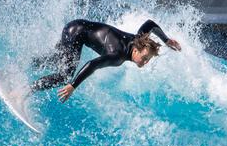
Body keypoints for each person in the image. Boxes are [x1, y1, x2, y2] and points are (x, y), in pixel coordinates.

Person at [30, 19, 181, 102]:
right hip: (75, 33)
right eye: (144, 58)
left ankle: (30, 62)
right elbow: (92, 64)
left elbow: (150, 24)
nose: (146, 62)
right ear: (135, 50)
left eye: (148, 59)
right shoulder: (118, 56)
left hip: (75, 27)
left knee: (58, 60)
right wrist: (73, 85)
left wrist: (166, 40)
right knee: (65, 76)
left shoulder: (139, 39)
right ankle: (24, 90)